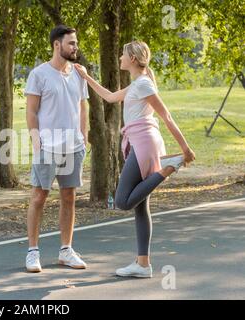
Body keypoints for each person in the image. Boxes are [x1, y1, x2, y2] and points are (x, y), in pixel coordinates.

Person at [74, 40, 196, 278]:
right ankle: (143, 264)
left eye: (122, 54)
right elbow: (109, 97)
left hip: (144, 143)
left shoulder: (144, 85)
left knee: (122, 202)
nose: (119, 57)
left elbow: (167, 116)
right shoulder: (136, 85)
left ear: (132, 58)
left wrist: (185, 149)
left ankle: (170, 166)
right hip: (140, 143)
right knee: (141, 208)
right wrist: (86, 77)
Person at [24, 25, 89, 273]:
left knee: (69, 197)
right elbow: (31, 110)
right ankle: (32, 252)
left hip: (73, 148)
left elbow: (83, 107)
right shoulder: (38, 74)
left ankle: (66, 251)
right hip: (47, 147)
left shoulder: (79, 74)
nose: (75, 47)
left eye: (76, 43)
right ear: (56, 45)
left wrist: (84, 137)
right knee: (39, 197)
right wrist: (36, 140)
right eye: (71, 43)